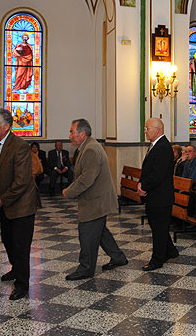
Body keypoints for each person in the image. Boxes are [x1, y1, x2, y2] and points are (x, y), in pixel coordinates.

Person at [0, 108, 40, 300]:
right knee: (7, 239)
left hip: (22, 203)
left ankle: (22, 284)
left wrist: (1, 199)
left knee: (21, 245)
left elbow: (22, 181)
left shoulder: (20, 146)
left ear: (7, 126)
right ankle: (16, 269)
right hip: (5, 202)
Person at [63, 119, 128, 280]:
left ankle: (86, 268)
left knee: (87, 234)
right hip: (97, 199)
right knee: (99, 233)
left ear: (82, 133)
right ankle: (118, 257)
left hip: (95, 201)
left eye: (72, 132)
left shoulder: (90, 149)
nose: (70, 135)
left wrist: (69, 192)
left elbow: (86, 179)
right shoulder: (87, 147)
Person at [137, 117, 178, 271]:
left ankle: (157, 260)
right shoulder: (156, 145)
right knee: (158, 227)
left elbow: (158, 174)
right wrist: (142, 183)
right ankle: (170, 251)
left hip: (161, 196)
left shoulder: (162, 147)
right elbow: (148, 169)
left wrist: (144, 186)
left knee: (159, 229)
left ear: (158, 129)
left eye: (147, 128)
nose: (145, 131)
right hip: (155, 195)